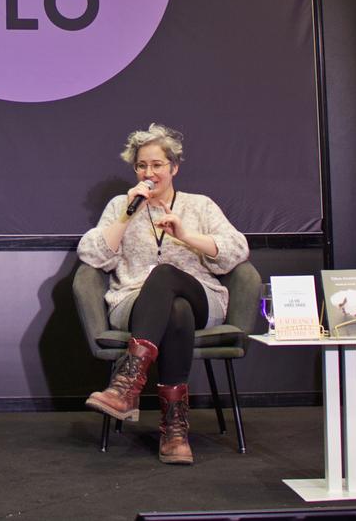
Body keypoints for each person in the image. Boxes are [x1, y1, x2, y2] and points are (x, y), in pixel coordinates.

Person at [77, 124, 250, 465]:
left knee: (168, 276)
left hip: (204, 298)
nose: (149, 172)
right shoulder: (121, 205)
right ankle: (174, 430)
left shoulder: (200, 206)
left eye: (157, 165)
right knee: (177, 312)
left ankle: (127, 388)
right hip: (133, 303)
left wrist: (187, 236)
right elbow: (93, 255)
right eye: (142, 166)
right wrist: (129, 214)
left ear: (174, 168)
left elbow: (237, 250)